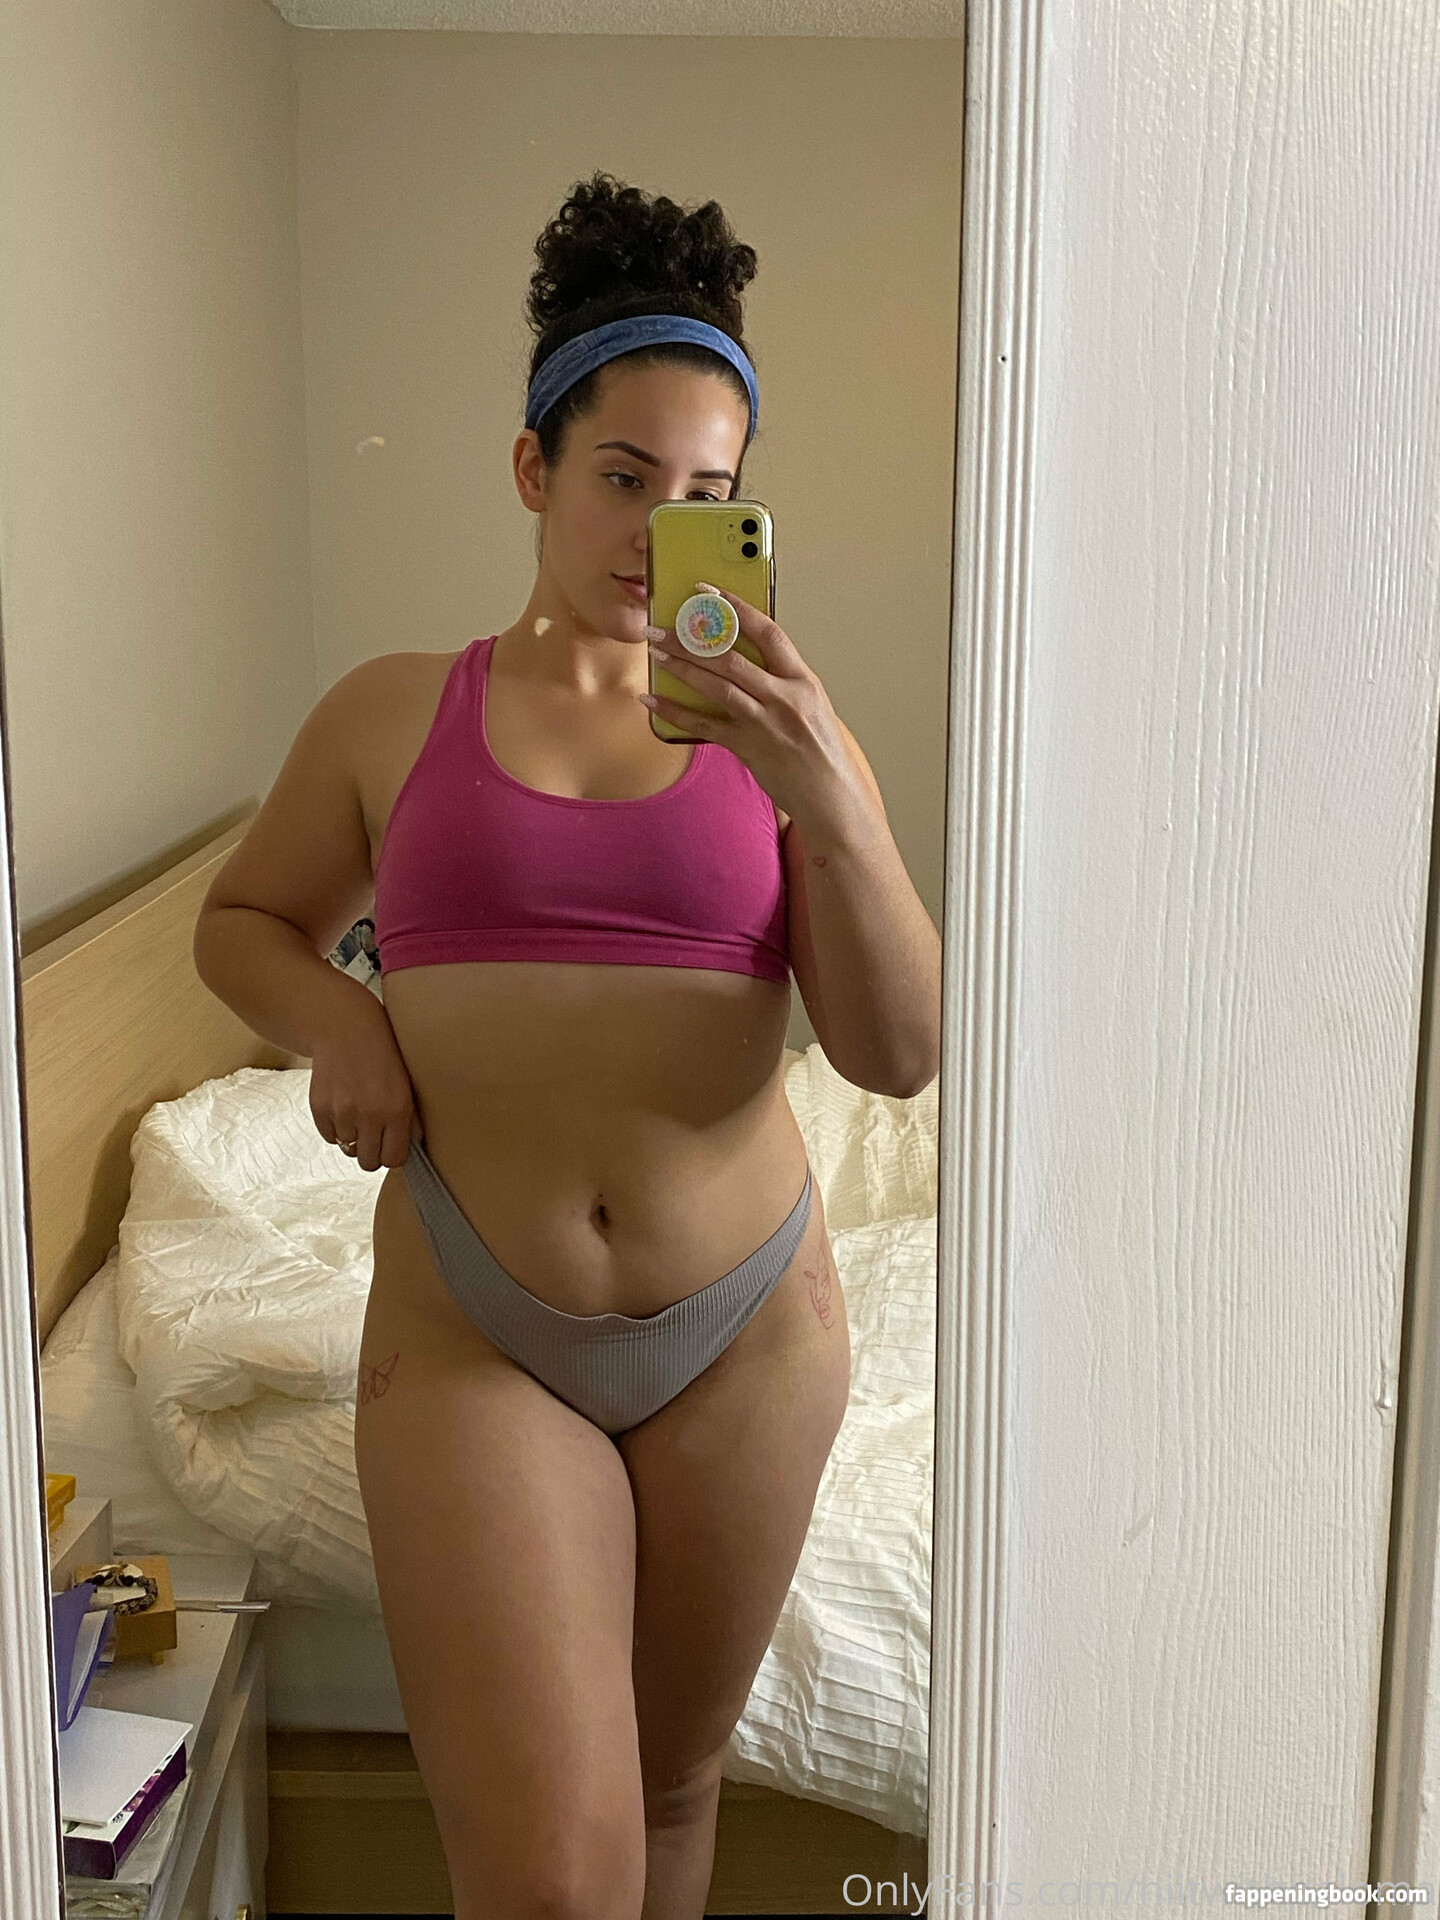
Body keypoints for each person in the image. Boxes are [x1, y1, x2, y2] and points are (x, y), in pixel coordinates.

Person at [194, 172, 941, 1920]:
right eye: (623, 477)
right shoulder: (392, 710)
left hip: (748, 1331)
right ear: (533, 468)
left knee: (675, 1794)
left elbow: (897, 1054)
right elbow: (242, 923)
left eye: (709, 500)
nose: (657, 531)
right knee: (548, 1879)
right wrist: (343, 1022)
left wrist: (833, 806)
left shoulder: (792, 741)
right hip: (481, 1330)